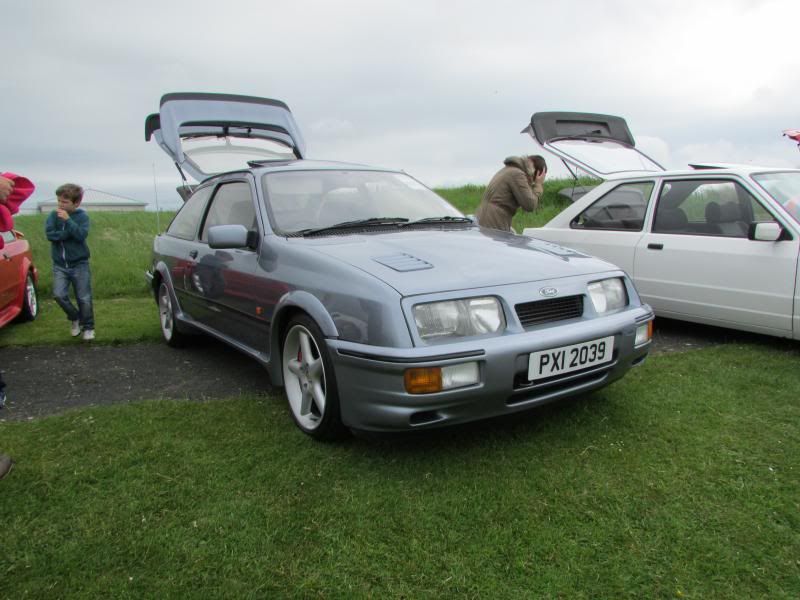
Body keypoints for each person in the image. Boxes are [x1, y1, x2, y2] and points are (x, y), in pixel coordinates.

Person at [45, 183, 95, 341]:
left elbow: (81, 235)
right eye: (59, 201)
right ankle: (74, 317)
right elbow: (50, 235)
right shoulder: (52, 216)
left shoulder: (82, 217)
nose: (60, 204)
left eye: (65, 202)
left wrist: (68, 221)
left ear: (76, 203)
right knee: (59, 295)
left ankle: (88, 327)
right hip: (60, 265)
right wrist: (68, 233)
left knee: (84, 298)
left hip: (80, 264)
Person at [475, 155, 547, 232]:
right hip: (494, 221)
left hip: (487, 218)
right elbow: (530, 205)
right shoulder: (517, 174)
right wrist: (538, 185)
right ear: (538, 173)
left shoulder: (509, 170)